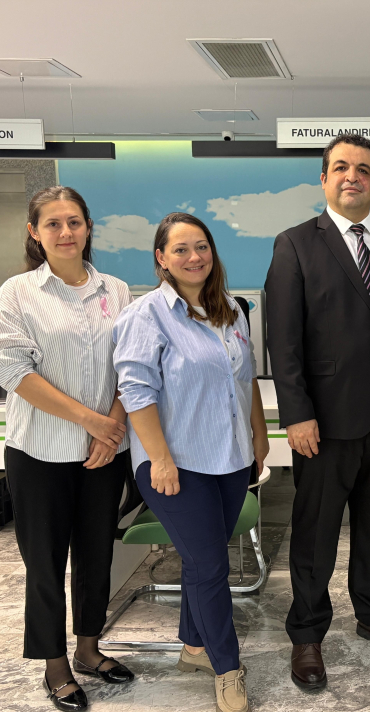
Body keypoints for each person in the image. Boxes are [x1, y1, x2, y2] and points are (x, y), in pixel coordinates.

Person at [265, 134, 370, 691]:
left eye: (362, 169)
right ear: (324, 179)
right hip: (324, 421)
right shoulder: (295, 244)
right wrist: (296, 414)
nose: (351, 176)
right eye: (340, 167)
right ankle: (307, 633)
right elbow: (283, 339)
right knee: (315, 533)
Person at [0, 186, 135, 711]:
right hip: (39, 454)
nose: (66, 232)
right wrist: (91, 421)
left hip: (104, 453)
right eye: (53, 224)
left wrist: (111, 427)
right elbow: (13, 371)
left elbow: (132, 365)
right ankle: (54, 664)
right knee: (44, 563)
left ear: (88, 227)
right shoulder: (17, 294)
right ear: (35, 232)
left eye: (74, 222)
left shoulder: (117, 291)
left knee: (97, 555)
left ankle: (89, 649)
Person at [112, 212, 268, 712]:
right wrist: (159, 459)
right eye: (180, 249)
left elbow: (245, 379)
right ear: (161, 259)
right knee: (211, 564)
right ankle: (227, 668)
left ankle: (193, 647)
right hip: (175, 463)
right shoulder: (146, 315)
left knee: (204, 559)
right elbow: (136, 391)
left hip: (230, 458)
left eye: (201, 246)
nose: (194, 257)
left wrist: (258, 436)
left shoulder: (231, 310)